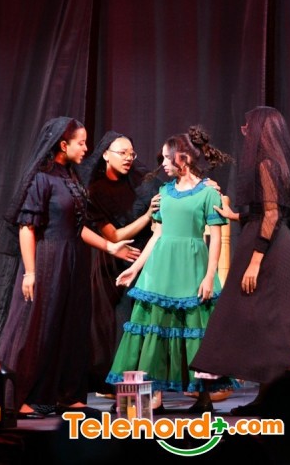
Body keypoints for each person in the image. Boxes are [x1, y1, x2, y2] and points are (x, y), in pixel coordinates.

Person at [0, 116, 140, 419]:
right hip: (48, 259)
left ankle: (67, 395)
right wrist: (30, 272)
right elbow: (26, 227)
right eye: (81, 143)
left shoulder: (70, 177)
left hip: (74, 259)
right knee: (38, 327)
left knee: (71, 327)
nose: (86, 148)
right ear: (63, 144)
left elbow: (77, 226)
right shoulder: (42, 178)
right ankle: (18, 396)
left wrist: (109, 246)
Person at [191, 106, 290, 416]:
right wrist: (236, 216)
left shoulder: (267, 164)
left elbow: (272, 214)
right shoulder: (277, 163)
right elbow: (265, 212)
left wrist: (255, 262)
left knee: (266, 320)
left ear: (260, 130)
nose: (244, 130)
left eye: (247, 125)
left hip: (267, 250)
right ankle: (267, 394)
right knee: (269, 323)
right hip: (270, 244)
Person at [106, 125, 234, 413]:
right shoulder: (164, 192)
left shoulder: (208, 193)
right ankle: (154, 397)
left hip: (192, 266)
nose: (162, 163)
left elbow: (215, 239)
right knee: (156, 329)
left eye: (167, 157)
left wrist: (209, 276)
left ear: (183, 158)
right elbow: (157, 235)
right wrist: (136, 268)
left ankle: (203, 397)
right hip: (161, 269)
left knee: (195, 330)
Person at [79, 131, 161, 396]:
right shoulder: (95, 190)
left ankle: (145, 382)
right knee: (116, 323)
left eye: (131, 153)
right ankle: (116, 383)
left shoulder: (142, 181)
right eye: (122, 153)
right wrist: (147, 216)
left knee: (142, 318)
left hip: (144, 257)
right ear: (105, 154)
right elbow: (113, 236)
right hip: (114, 261)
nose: (128, 158)